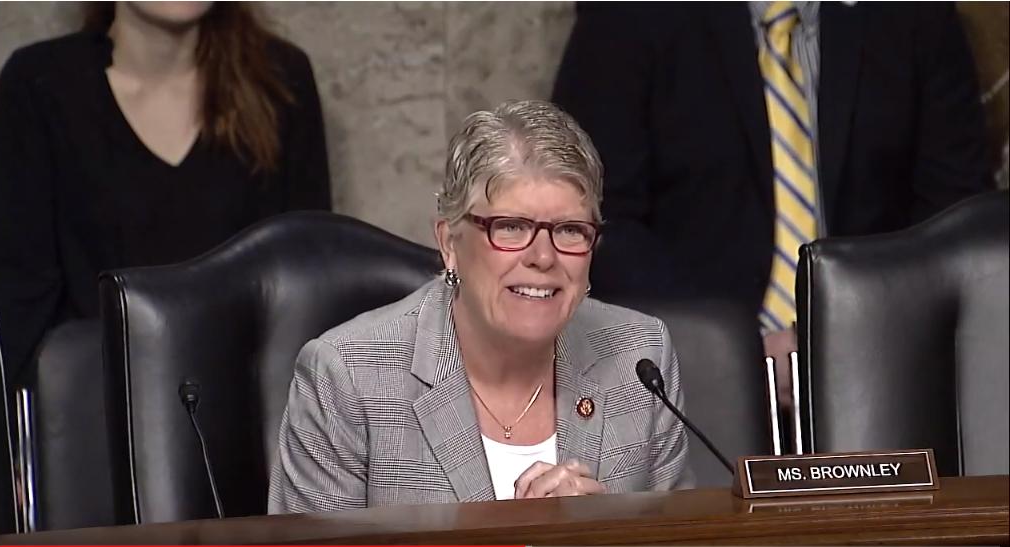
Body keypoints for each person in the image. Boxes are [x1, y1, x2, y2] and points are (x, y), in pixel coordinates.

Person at [268, 100, 692, 512]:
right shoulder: (348, 377)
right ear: (450, 244)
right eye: (511, 227)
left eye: (569, 230)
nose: (543, 257)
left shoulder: (640, 358)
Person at [552, 2, 991, 374]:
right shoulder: (628, 16)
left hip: (883, 364)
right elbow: (591, 221)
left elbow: (958, 221)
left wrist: (853, 339)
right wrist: (732, 349)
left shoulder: (915, 15)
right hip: (692, 374)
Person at [0, 2, 332, 383]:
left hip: (252, 403)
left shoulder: (280, 79)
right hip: (94, 404)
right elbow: (17, 303)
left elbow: (312, 286)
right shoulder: (40, 84)